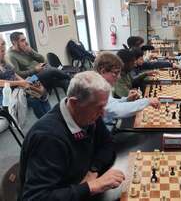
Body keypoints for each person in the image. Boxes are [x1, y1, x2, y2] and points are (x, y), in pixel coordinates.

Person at [18, 71, 125, 201]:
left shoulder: (87, 113)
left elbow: (107, 144)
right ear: (74, 103)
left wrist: (93, 170)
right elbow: (36, 197)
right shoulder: (49, 138)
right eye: (99, 107)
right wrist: (91, 187)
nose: (102, 114)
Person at [93, 52, 160, 127]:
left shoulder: (101, 85)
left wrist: (126, 99)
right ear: (103, 71)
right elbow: (115, 110)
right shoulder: (95, 88)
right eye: (115, 73)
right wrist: (147, 101)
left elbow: (110, 102)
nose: (118, 77)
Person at [0, 36, 50, 120]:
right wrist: (20, 83)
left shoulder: (5, 61)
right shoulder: (11, 55)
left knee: (41, 89)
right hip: (6, 94)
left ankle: (50, 115)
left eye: (3, 48)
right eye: (1, 51)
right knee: (35, 100)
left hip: (18, 87)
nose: (4, 52)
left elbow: (14, 74)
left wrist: (25, 82)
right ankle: (46, 121)